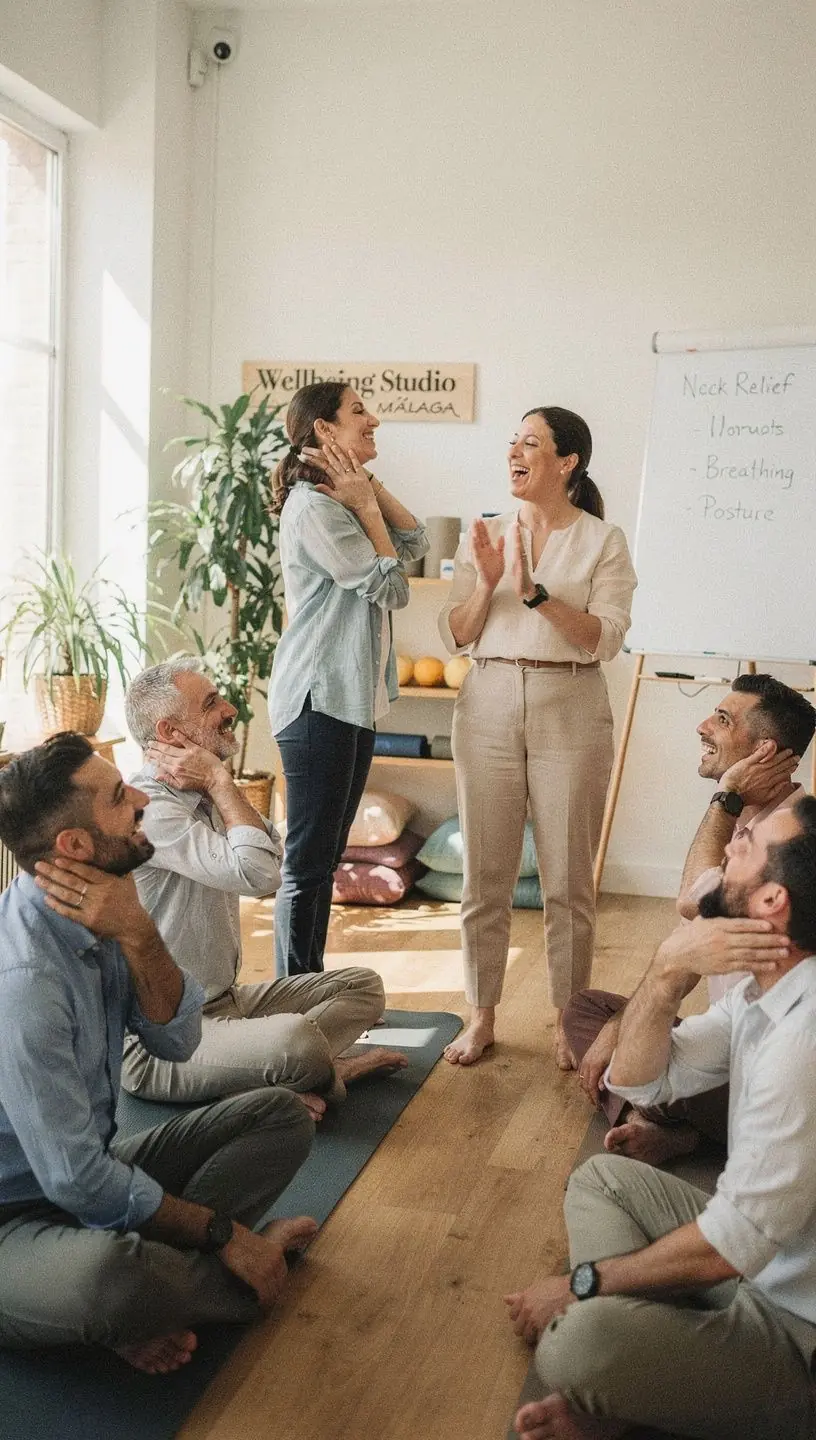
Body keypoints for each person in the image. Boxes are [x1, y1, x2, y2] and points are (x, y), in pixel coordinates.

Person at [0, 734, 317, 1374]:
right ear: (75, 845)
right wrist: (224, 1234)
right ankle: (187, 1287)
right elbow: (75, 1180)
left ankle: (158, 1296)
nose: (142, 800)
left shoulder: (108, 907)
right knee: (108, 1280)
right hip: (15, 1217)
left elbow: (178, 1041)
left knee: (279, 1116)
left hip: (84, 1176)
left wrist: (142, 935)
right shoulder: (26, 982)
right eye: (121, 797)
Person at [506, 795, 816, 1440]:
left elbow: (733, 1243)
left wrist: (584, 1283)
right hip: (767, 1262)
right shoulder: (771, 988)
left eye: (748, 843)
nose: (731, 844)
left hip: (800, 1327)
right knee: (601, 1179)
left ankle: (661, 1388)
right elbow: (639, 1077)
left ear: (771, 901)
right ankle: (653, 1372)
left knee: (574, 1344)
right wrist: (670, 970)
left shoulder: (804, 1040)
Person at [438, 407, 637, 1069]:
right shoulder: (486, 534)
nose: (515, 453)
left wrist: (536, 595)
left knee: (569, 881)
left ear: (567, 461)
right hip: (487, 700)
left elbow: (605, 638)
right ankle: (481, 1015)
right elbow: (457, 632)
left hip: (570, 704)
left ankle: (569, 1020)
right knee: (483, 877)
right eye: (513, 442)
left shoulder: (603, 540)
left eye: (531, 442)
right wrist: (488, 582)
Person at [123, 657, 408, 1115]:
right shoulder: (152, 811)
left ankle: (280, 1073)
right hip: (162, 1042)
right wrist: (218, 779)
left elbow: (271, 854)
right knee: (295, 1039)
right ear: (171, 732)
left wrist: (218, 783)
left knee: (363, 987)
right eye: (211, 703)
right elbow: (259, 876)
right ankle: (306, 1072)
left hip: (224, 1003)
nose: (230, 709)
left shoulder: (203, 792)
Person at [563, 673, 814, 1163]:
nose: (703, 726)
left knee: (641, 1064)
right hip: (731, 1033)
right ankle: (678, 1127)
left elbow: (692, 902)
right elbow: (689, 942)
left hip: (778, 1061)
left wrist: (728, 793)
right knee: (590, 1011)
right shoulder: (744, 831)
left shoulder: (794, 840)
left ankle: (673, 1125)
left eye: (722, 719)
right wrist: (623, 1024)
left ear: (764, 750)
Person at [268, 382, 429, 978]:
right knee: (308, 864)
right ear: (324, 429)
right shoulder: (316, 508)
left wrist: (369, 489)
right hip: (318, 699)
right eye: (359, 411)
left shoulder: (339, 501)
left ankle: (307, 988)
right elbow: (393, 587)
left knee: (325, 857)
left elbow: (415, 541)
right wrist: (365, 505)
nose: (374, 419)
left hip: (347, 701)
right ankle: (294, 994)